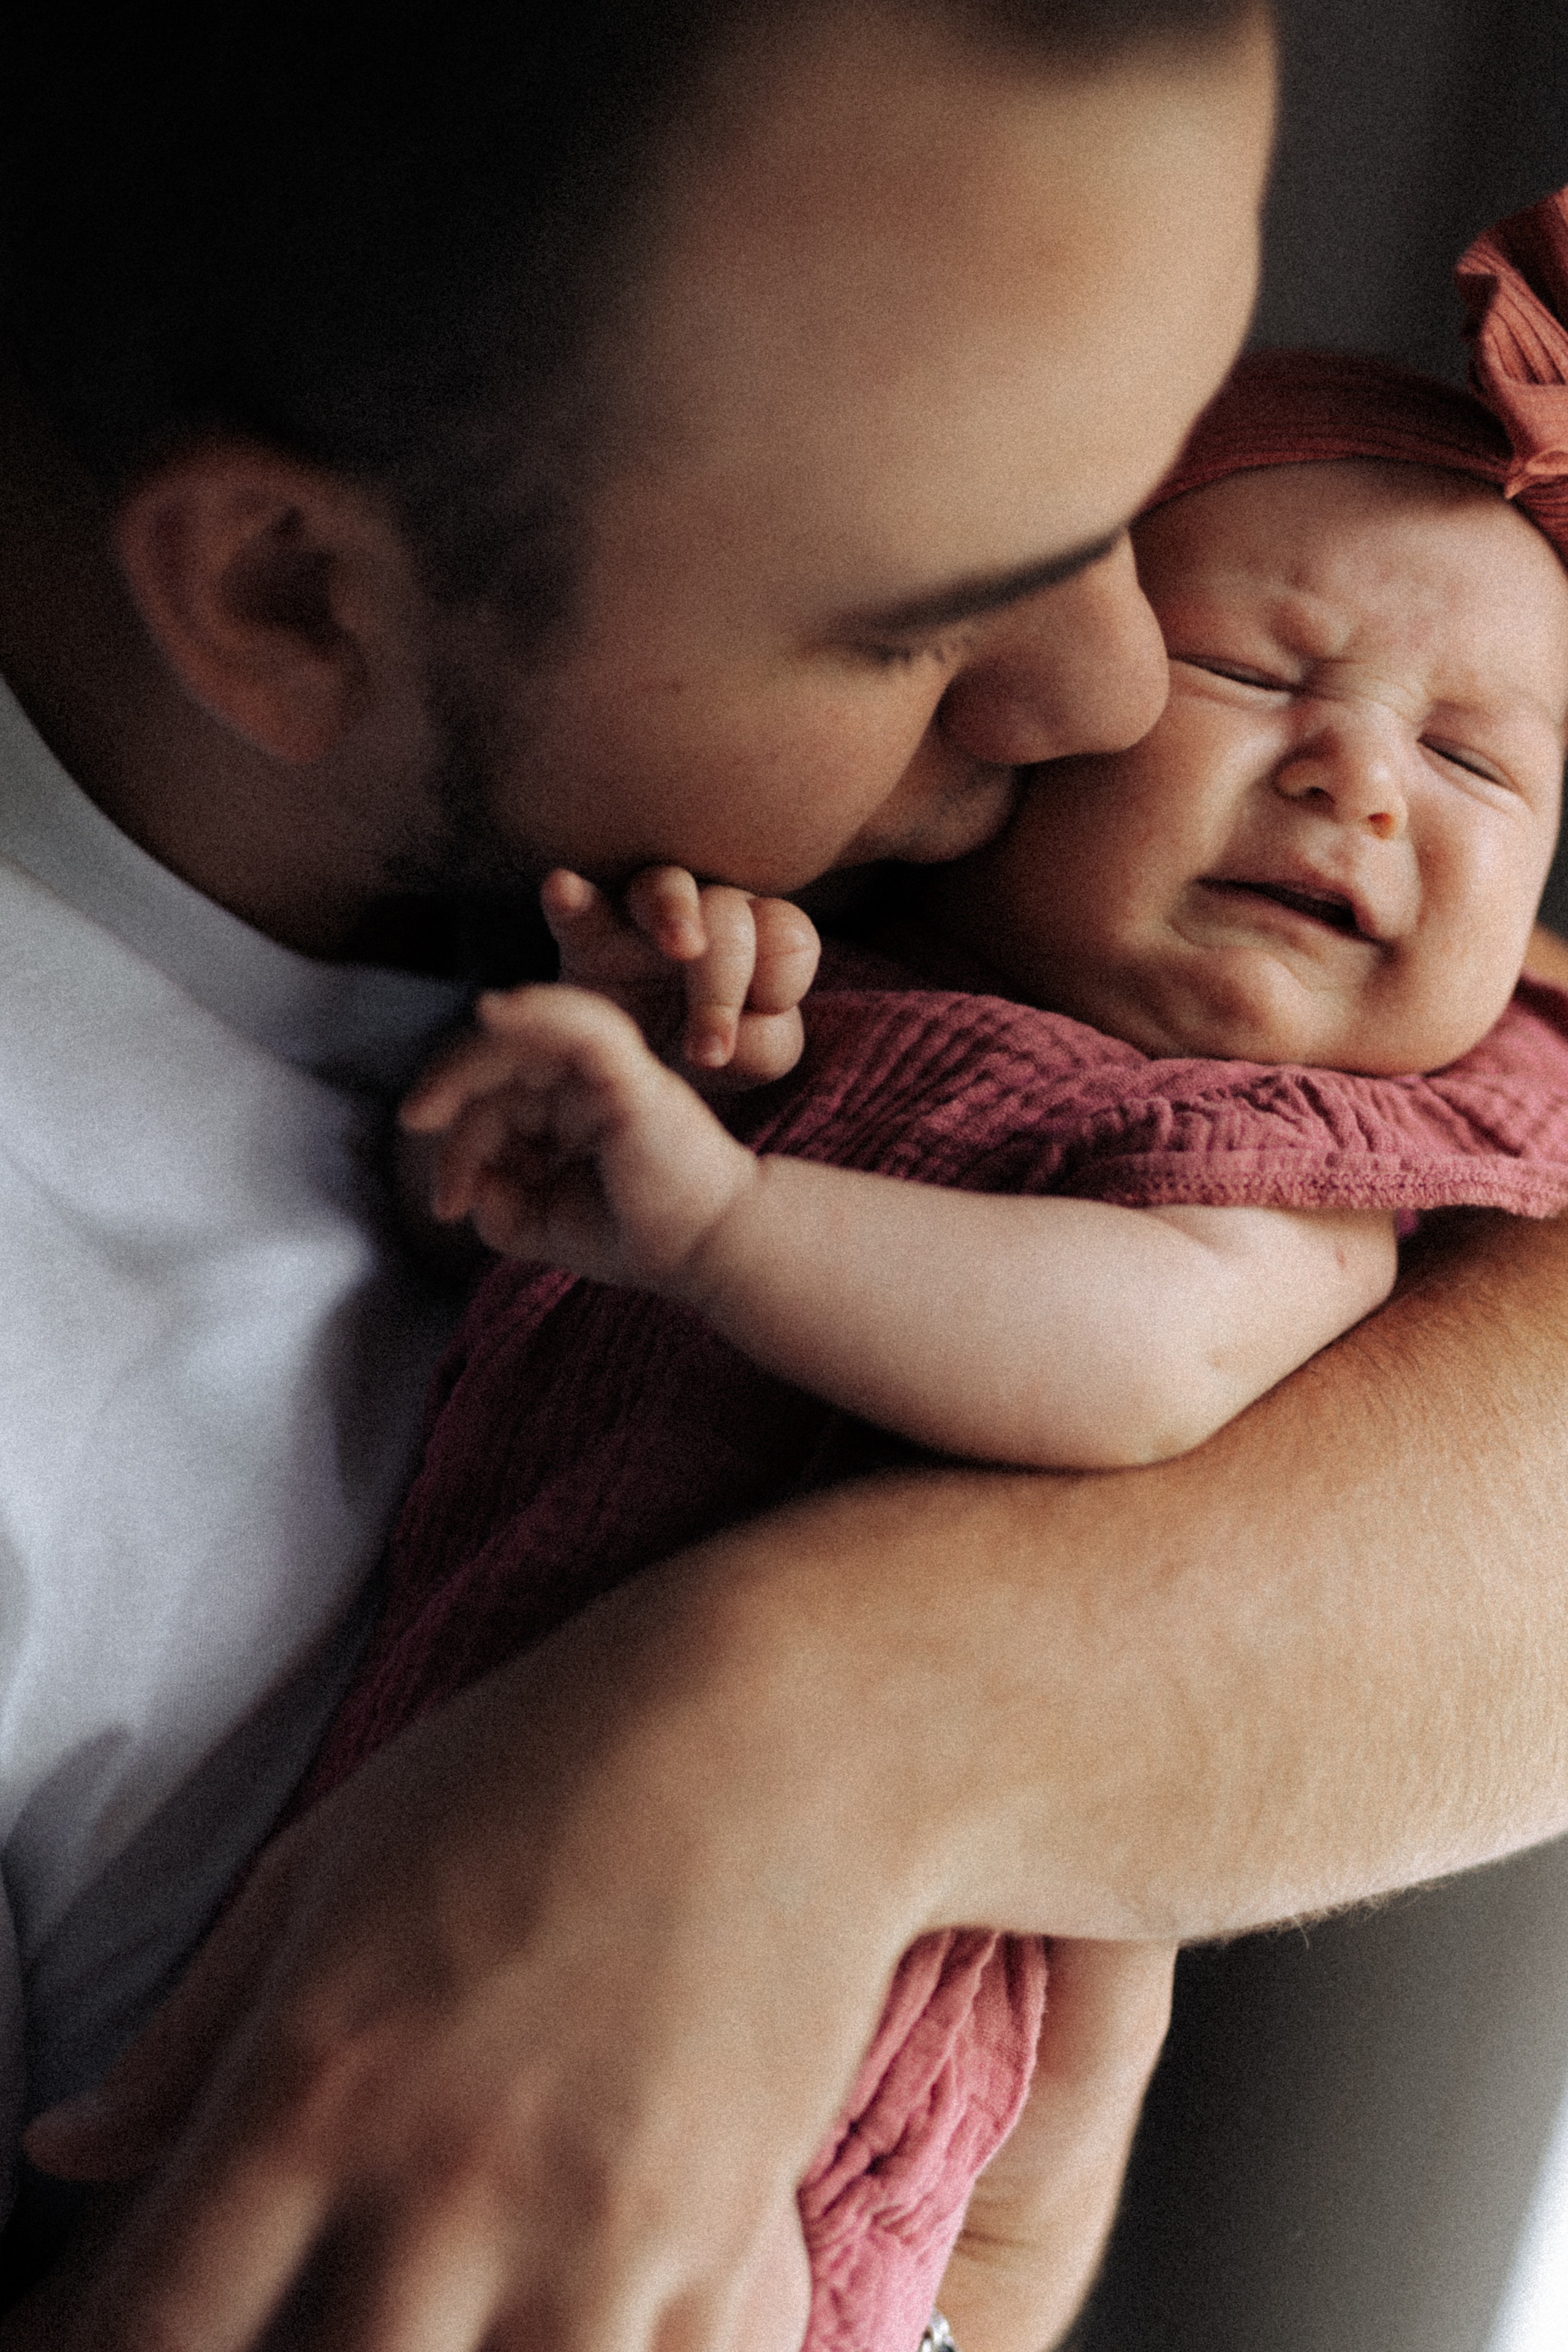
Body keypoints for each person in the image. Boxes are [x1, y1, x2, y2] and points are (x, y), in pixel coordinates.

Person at [7, 5, 1553, 2350]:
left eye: (1142, 498)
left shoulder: (806, 888)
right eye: (934, 603)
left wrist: (787, 1748)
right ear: (292, 601)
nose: (1123, 690)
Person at [282, 339, 1568, 2352]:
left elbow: (1145, 1358)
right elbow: (498, 1187)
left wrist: (726, 1219)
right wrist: (655, 1023)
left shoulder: (1293, 1166)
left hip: (795, 2076)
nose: (1359, 773)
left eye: (1481, 761)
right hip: (449, 1826)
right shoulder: (850, 960)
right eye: (1254, 672)